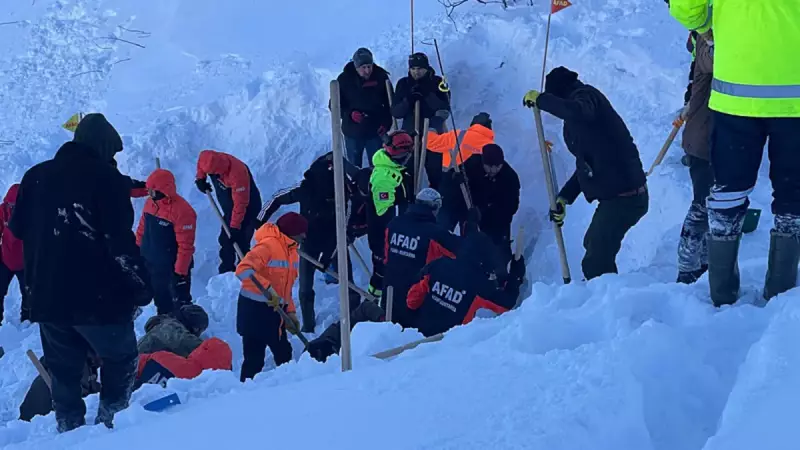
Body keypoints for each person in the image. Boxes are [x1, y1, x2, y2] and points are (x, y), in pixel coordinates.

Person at [9, 113, 152, 432]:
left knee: (63, 370)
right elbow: (121, 245)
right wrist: (142, 287)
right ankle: (112, 425)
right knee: (121, 358)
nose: (114, 160)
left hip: (47, 297)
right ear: (103, 147)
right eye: (112, 153)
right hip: (99, 299)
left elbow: (17, 231)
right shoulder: (107, 180)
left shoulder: (35, 176)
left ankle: (68, 428)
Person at [669, 2, 800, 306]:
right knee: (792, 197)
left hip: (735, 94)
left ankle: (722, 295)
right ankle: (781, 298)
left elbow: (686, 7)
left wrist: (707, 29)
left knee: (728, 194)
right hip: (795, 95)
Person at [523, 67, 649, 280]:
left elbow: (577, 111)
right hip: (615, 197)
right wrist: (564, 198)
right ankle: (600, 291)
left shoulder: (587, 97)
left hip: (627, 197)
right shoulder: (580, 122)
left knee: (596, 258)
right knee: (592, 242)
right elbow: (585, 165)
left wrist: (542, 100)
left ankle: (605, 295)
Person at [257, 152, 361, 332]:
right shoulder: (305, 188)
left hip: (335, 240)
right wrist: (259, 220)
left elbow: (346, 227)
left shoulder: (342, 192)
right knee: (305, 287)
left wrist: (329, 256)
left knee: (347, 282)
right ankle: (308, 325)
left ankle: (354, 319)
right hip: (308, 241)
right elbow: (277, 198)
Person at [406, 231, 526, 338]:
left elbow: (412, 301)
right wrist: (515, 276)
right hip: (449, 345)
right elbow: (506, 304)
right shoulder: (481, 285)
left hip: (419, 339)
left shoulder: (437, 265)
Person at [235, 212, 307, 381]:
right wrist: (268, 289)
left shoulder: (292, 251)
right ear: (291, 232)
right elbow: (243, 269)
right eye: (301, 232)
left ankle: (290, 386)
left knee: (284, 355)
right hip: (254, 311)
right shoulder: (268, 246)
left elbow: (286, 288)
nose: (304, 236)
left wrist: (290, 312)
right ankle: (246, 391)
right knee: (254, 360)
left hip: (275, 311)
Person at [382, 188, 461, 327]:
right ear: (435, 208)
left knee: (389, 333)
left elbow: (386, 258)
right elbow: (462, 251)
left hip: (390, 295)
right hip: (415, 299)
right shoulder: (435, 233)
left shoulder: (394, 224)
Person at [676, 33, 713, 285]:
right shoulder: (706, 44)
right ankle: (687, 267)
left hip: (719, 139)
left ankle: (706, 261)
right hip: (703, 139)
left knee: (713, 204)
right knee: (702, 203)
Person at [135, 169, 197, 315]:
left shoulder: (183, 211)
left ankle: (184, 326)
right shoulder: (150, 203)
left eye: (152, 191)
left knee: (177, 303)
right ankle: (164, 325)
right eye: (149, 190)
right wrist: (136, 250)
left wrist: (180, 273)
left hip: (171, 268)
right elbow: (142, 229)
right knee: (161, 301)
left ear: (163, 191)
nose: (149, 194)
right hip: (152, 264)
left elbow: (185, 246)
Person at [194, 150, 263, 274]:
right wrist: (200, 179)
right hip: (231, 207)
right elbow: (201, 163)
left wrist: (235, 227)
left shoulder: (237, 173)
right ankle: (226, 273)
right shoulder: (208, 158)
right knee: (226, 241)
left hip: (247, 208)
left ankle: (245, 272)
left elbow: (241, 204)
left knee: (240, 241)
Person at [366, 130, 415, 297]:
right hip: (383, 236)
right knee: (382, 273)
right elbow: (384, 213)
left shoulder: (393, 168)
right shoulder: (384, 179)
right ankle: (375, 301)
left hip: (391, 234)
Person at [425, 112, 495, 222]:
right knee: (469, 226)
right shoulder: (492, 147)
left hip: (450, 186)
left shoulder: (458, 135)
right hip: (474, 193)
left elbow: (430, 142)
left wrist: (435, 123)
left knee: (443, 225)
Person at [463, 144, 521, 263]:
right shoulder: (472, 165)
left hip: (498, 222)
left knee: (499, 255)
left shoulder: (510, 178)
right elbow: (460, 181)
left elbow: (512, 207)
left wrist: (488, 209)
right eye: (489, 167)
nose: (493, 170)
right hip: (473, 215)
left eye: (497, 166)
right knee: (469, 250)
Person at [337, 48, 393, 168]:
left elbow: (390, 104)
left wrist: (386, 124)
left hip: (375, 130)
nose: (367, 71)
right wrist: (350, 114)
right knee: (353, 166)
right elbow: (335, 105)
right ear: (356, 67)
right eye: (363, 67)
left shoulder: (381, 77)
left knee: (378, 165)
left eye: (369, 66)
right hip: (353, 131)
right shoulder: (344, 79)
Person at [136, 304, 210, 357]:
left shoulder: (164, 325)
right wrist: (211, 349)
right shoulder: (170, 327)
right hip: (136, 369)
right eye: (199, 330)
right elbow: (185, 342)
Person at [0, 184, 26, 324]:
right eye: (10, 205)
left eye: (15, 206)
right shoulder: (3, 210)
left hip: (25, 261)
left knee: (28, 293)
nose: (12, 208)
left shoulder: (30, 214)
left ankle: (28, 320)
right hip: (5, 258)